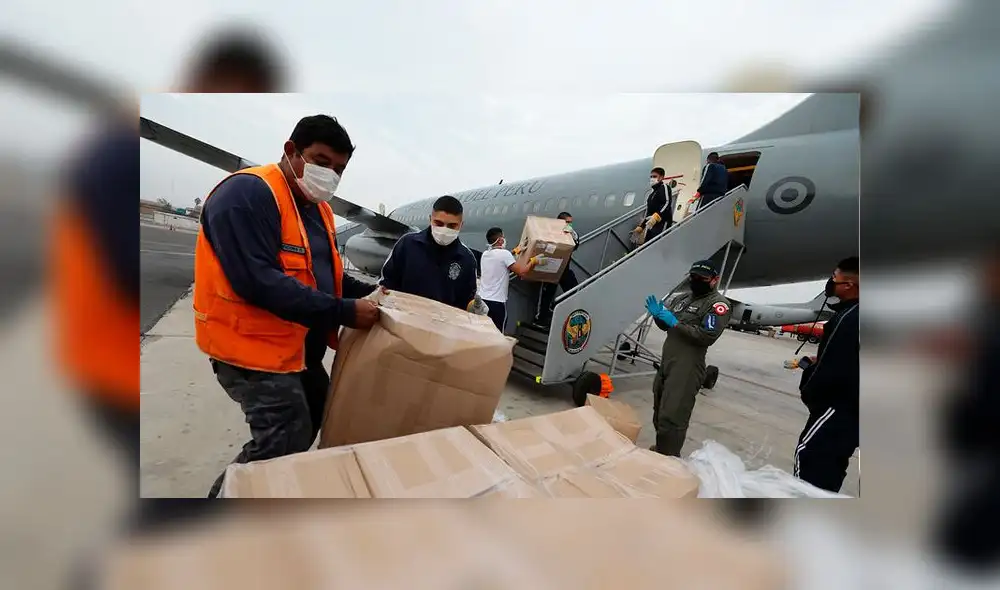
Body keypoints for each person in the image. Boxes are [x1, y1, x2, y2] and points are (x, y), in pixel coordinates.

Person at [195, 114, 381, 498]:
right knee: (283, 436)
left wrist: (375, 292)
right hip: (251, 350)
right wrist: (345, 312)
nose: (330, 174)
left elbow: (324, 275)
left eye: (339, 169)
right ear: (291, 151)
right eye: (322, 161)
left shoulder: (319, 209)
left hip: (296, 350)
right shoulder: (247, 195)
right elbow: (257, 281)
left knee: (317, 415)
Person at [644, 260, 732, 456]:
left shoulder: (718, 305)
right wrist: (659, 316)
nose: (695, 281)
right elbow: (666, 326)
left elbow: (706, 336)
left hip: (688, 365)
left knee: (673, 416)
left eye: (702, 278)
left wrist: (675, 323)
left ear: (714, 280)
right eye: (692, 277)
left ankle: (669, 458)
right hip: (668, 361)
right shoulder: (683, 298)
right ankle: (662, 448)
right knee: (660, 409)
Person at [791, 256, 859, 493]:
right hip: (853, 413)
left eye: (835, 278)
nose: (831, 282)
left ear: (849, 285)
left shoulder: (850, 318)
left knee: (809, 461)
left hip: (836, 408)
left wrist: (809, 377)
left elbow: (831, 372)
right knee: (830, 470)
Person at [379, 195, 483, 313]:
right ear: (430, 219)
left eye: (452, 226)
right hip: (404, 320)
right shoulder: (407, 244)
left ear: (461, 225)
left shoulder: (467, 259)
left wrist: (474, 307)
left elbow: (466, 299)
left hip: (442, 326)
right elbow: (387, 283)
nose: (444, 229)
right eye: (438, 223)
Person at [479, 227, 545, 332]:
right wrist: (534, 261)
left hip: (482, 301)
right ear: (500, 240)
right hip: (496, 304)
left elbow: (500, 260)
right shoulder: (504, 254)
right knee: (497, 334)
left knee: (483, 332)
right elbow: (522, 271)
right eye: (503, 237)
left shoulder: (485, 254)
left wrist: (515, 251)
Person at [533, 211, 581, 325]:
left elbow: (575, 246)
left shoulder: (570, 233)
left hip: (564, 268)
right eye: (567, 222)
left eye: (571, 222)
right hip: (551, 268)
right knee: (547, 294)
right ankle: (541, 318)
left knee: (574, 291)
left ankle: (560, 309)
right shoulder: (550, 232)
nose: (569, 225)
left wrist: (573, 235)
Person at [638, 167, 674, 242]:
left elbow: (666, 203)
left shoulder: (664, 187)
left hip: (662, 223)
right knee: (647, 245)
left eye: (654, 176)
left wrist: (657, 216)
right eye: (651, 177)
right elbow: (649, 212)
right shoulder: (652, 194)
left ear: (661, 177)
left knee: (657, 244)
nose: (652, 178)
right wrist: (642, 226)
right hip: (651, 225)